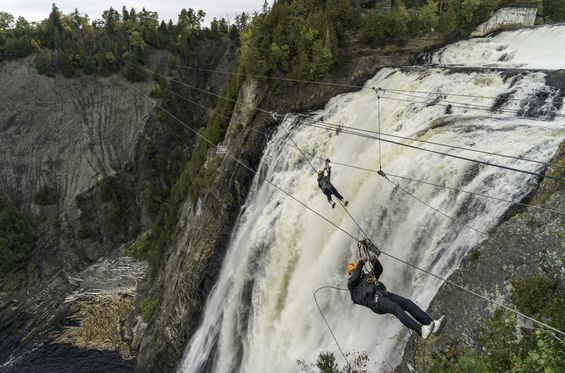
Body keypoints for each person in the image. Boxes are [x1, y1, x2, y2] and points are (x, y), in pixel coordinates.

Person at [346, 241, 445, 338]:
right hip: (376, 302)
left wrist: (372, 259)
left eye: (355, 270)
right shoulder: (352, 287)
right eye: (353, 272)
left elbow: (378, 270)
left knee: (407, 303)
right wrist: (360, 263)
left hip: (385, 295)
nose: (356, 272)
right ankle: (421, 330)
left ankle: (432, 324)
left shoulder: (367, 277)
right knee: (396, 308)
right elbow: (354, 278)